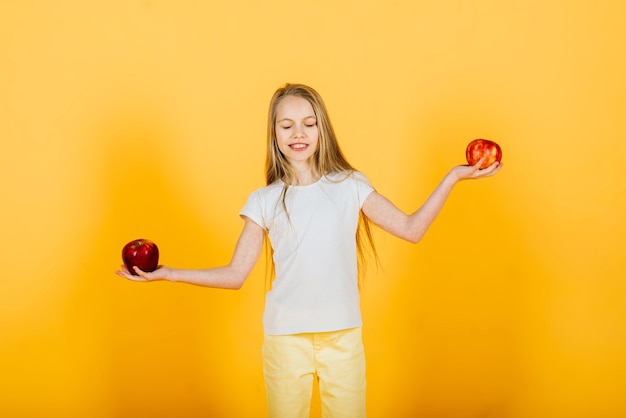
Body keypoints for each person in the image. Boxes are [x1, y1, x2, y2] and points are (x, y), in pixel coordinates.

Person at [116, 83, 501, 417]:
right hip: (286, 341)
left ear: (322, 130)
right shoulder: (264, 200)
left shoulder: (350, 185)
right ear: (274, 133)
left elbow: (411, 229)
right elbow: (235, 276)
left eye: (308, 123)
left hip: (343, 338)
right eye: (286, 125)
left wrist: (453, 177)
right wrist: (167, 273)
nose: (298, 133)